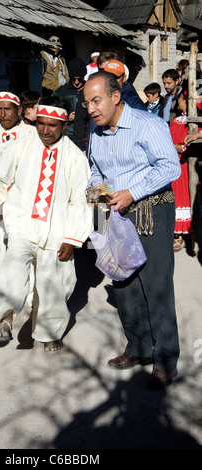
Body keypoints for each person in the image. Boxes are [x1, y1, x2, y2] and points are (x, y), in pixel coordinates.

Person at [0, 96, 93, 352]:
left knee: (54, 283)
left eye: (52, 125)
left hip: (57, 230)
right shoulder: (21, 146)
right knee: (13, 269)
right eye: (40, 124)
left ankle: (49, 332)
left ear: (64, 125)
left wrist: (72, 237)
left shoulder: (75, 158)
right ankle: (4, 319)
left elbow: (81, 201)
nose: (45, 130)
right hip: (23, 224)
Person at [83, 71, 181, 389]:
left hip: (152, 211)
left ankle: (165, 360)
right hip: (114, 217)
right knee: (124, 287)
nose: (90, 108)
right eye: (86, 102)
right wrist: (97, 225)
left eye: (96, 100)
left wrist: (133, 192)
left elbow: (170, 166)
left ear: (115, 97)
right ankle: (138, 349)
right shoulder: (96, 133)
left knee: (156, 287)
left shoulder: (147, 124)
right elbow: (95, 172)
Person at [0, 91, 37, 316]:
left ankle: (31, 298)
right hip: (2, 208)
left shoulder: (33, 133)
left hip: (29, 207)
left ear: (19, 110)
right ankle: (4, 301)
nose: (3, 114)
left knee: (29, 254)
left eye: (8, 109)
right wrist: (2, 203)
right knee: (3, 255)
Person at [169, 90, 202, 253]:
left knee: (188, 198)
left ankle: (191, 236)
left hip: (187, 165)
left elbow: (185, 147)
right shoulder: (175, 121)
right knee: (177, 198)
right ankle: (178, 236)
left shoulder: (194, 123)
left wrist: (174, 147)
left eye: (180, 99)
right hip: (176, 166)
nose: (177, 102)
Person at [53, 58, 87, 145]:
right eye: (73, 79)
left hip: (86, 134)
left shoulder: (90, 89)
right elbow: (54, 112)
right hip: (68, 134)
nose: (76, 82)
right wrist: (67, 117)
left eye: (79, 79)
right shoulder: (61, 92)